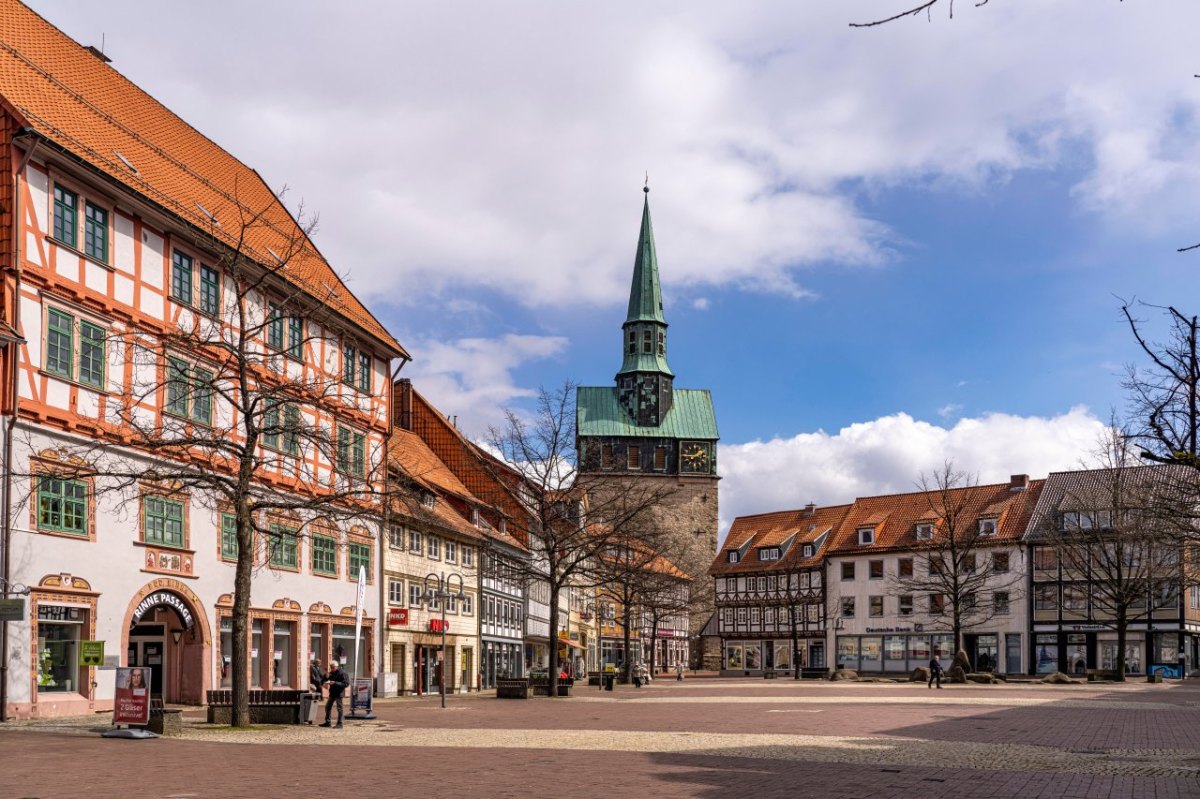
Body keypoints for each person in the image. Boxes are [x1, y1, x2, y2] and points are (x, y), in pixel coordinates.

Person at [319, 660, 349, 728]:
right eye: (330, 667)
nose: (331, 669)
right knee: (327, 707)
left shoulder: (343, 673)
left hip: (339, 693)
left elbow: (346, 684)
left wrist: (335, 683)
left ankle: (340, 724)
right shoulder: (332, 673)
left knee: (339, 708)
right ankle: (327, 722)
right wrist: (326, 676)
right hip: (332, 693)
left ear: (336, 666)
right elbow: (324, 679)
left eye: (332, 667)